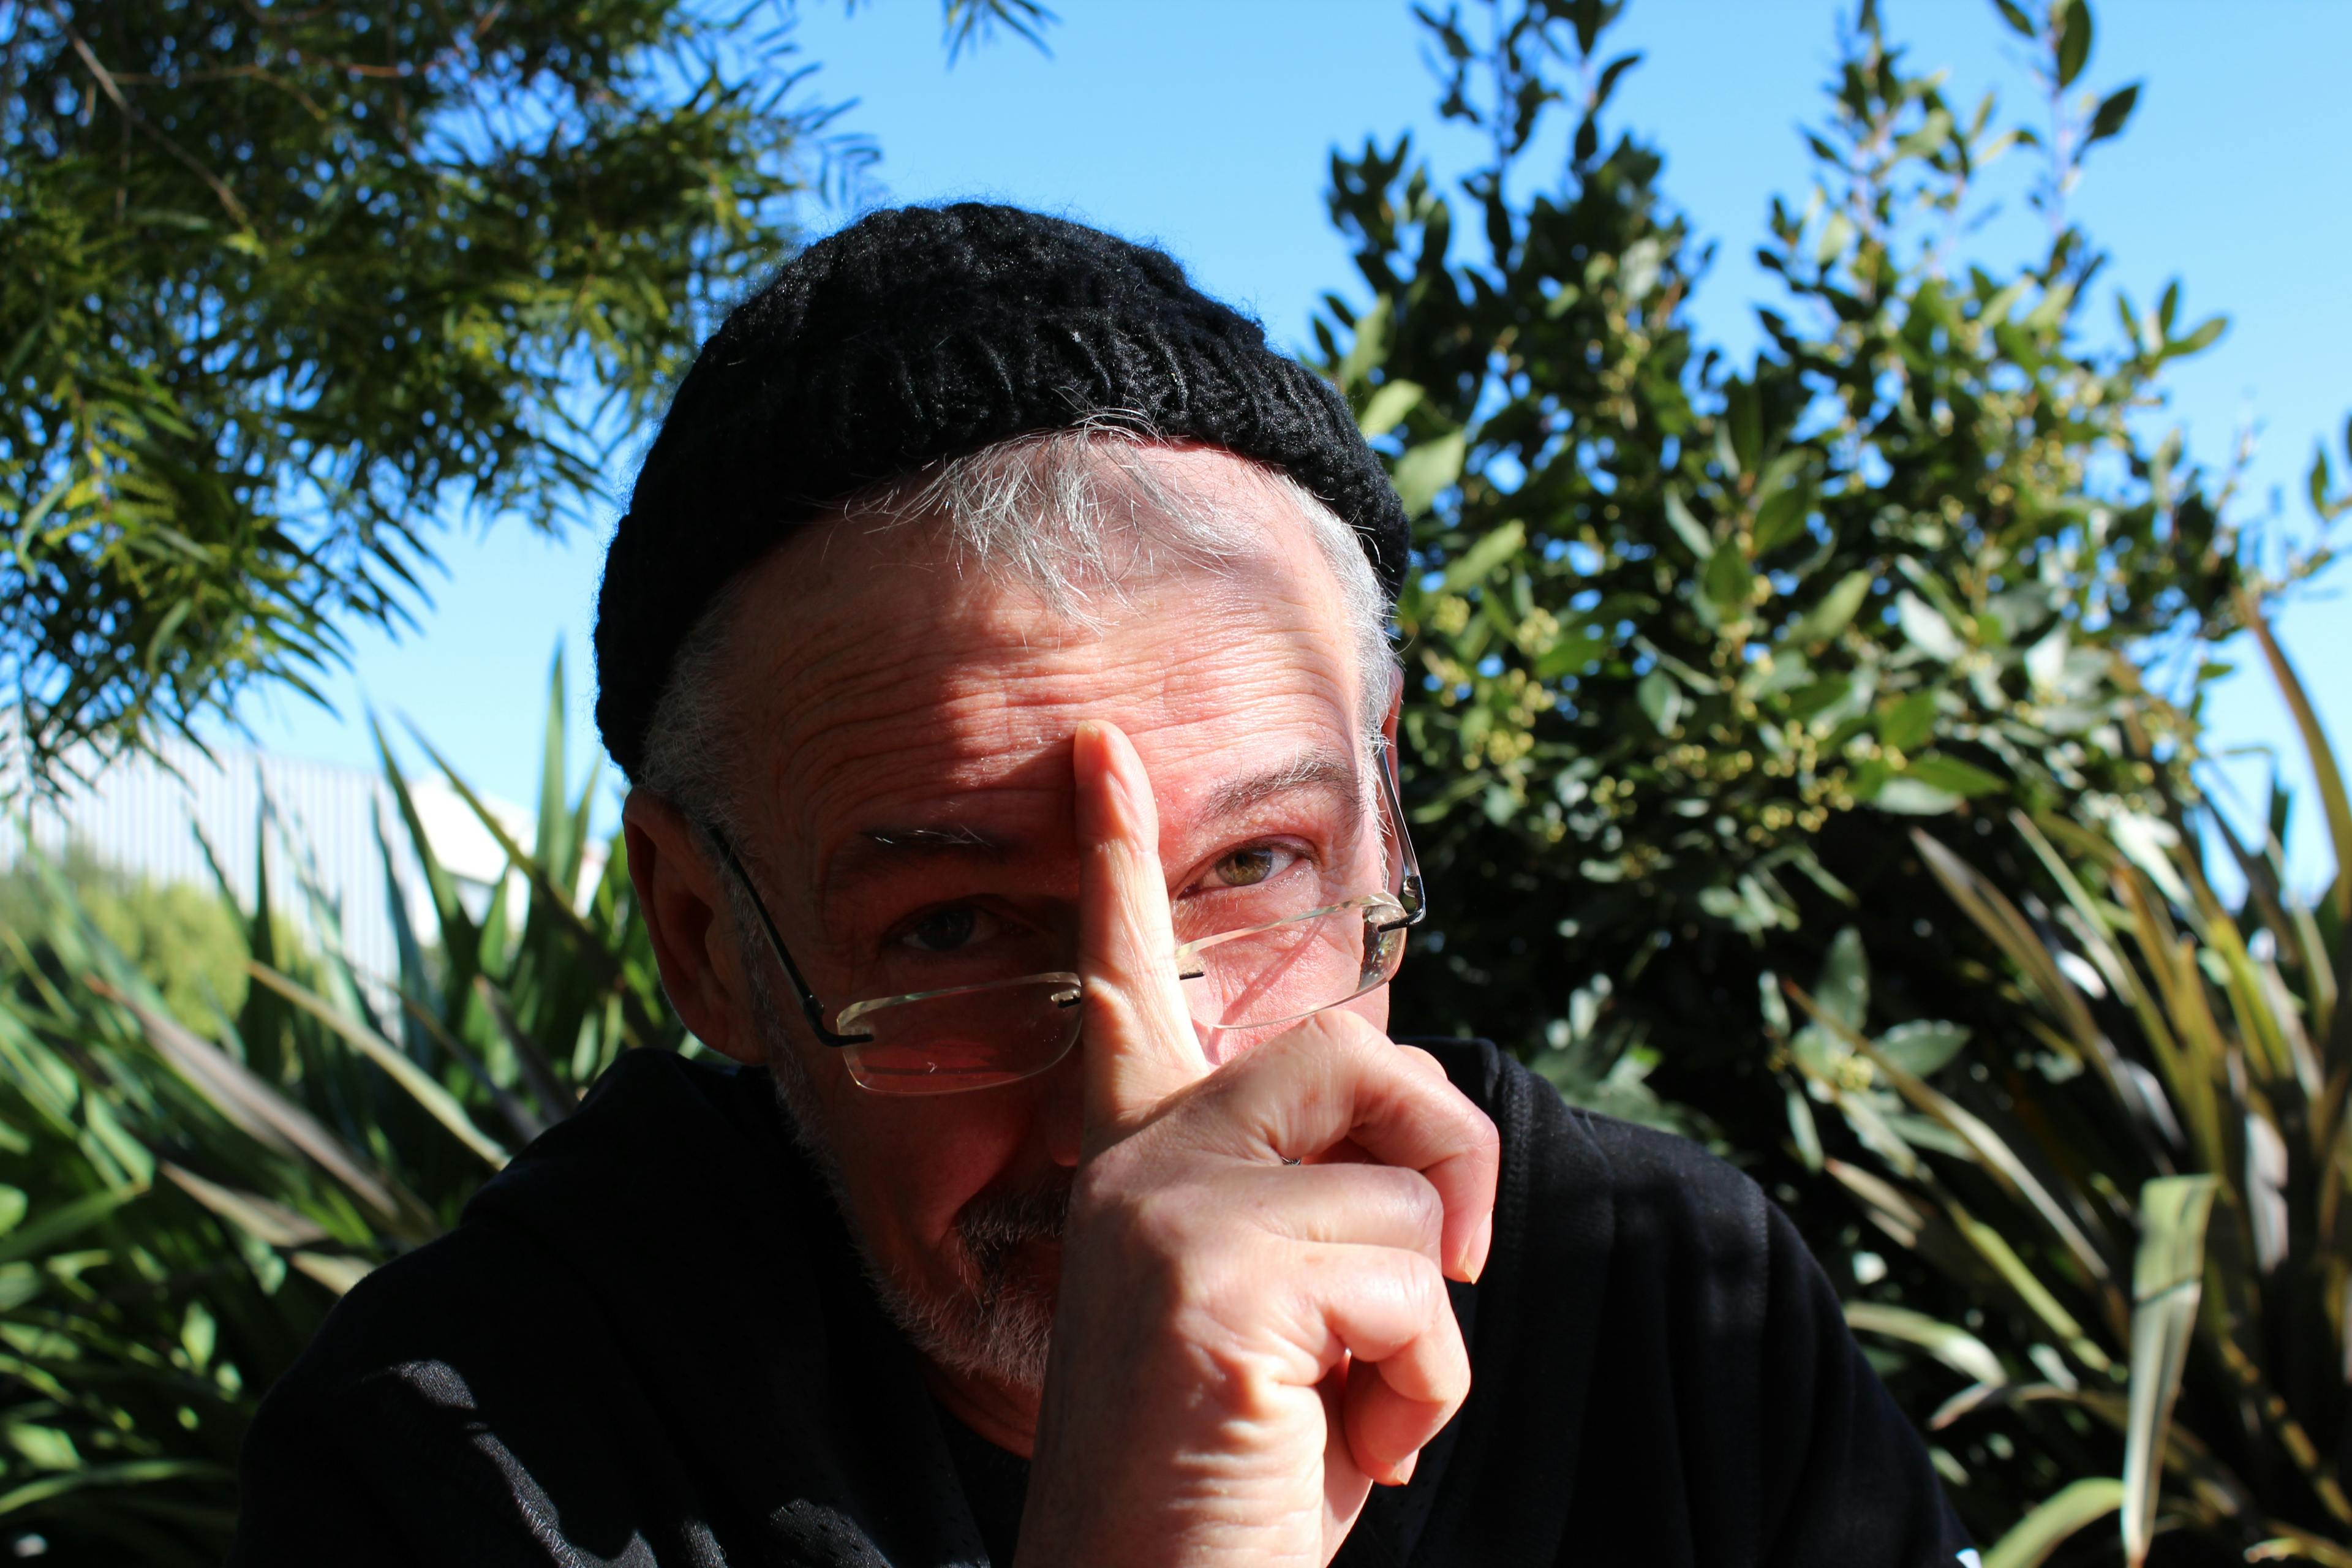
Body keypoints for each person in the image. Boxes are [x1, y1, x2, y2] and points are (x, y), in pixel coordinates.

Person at [228, 203, 1977, 1567]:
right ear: (706, 941)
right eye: (960, 926)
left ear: (1388, 818)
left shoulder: (1672, 1313)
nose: (1147, 1112)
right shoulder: (457, 1461)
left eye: (1254, 867)